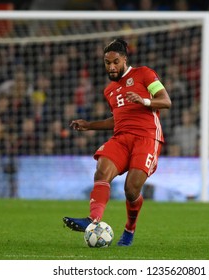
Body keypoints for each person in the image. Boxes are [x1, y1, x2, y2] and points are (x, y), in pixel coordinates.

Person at [62, 38, 172, 246]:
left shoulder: (145, 74)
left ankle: (130, 228)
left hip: (147, 137)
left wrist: (145, 101)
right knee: (102, 169)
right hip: (121, 137)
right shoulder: (109, 90)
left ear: (124, 60)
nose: (111, 67)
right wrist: (89, 125)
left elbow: (166, 101)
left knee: (131, 190)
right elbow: (117, 120)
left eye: (115, 62)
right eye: (107, 62)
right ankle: (92, 219)